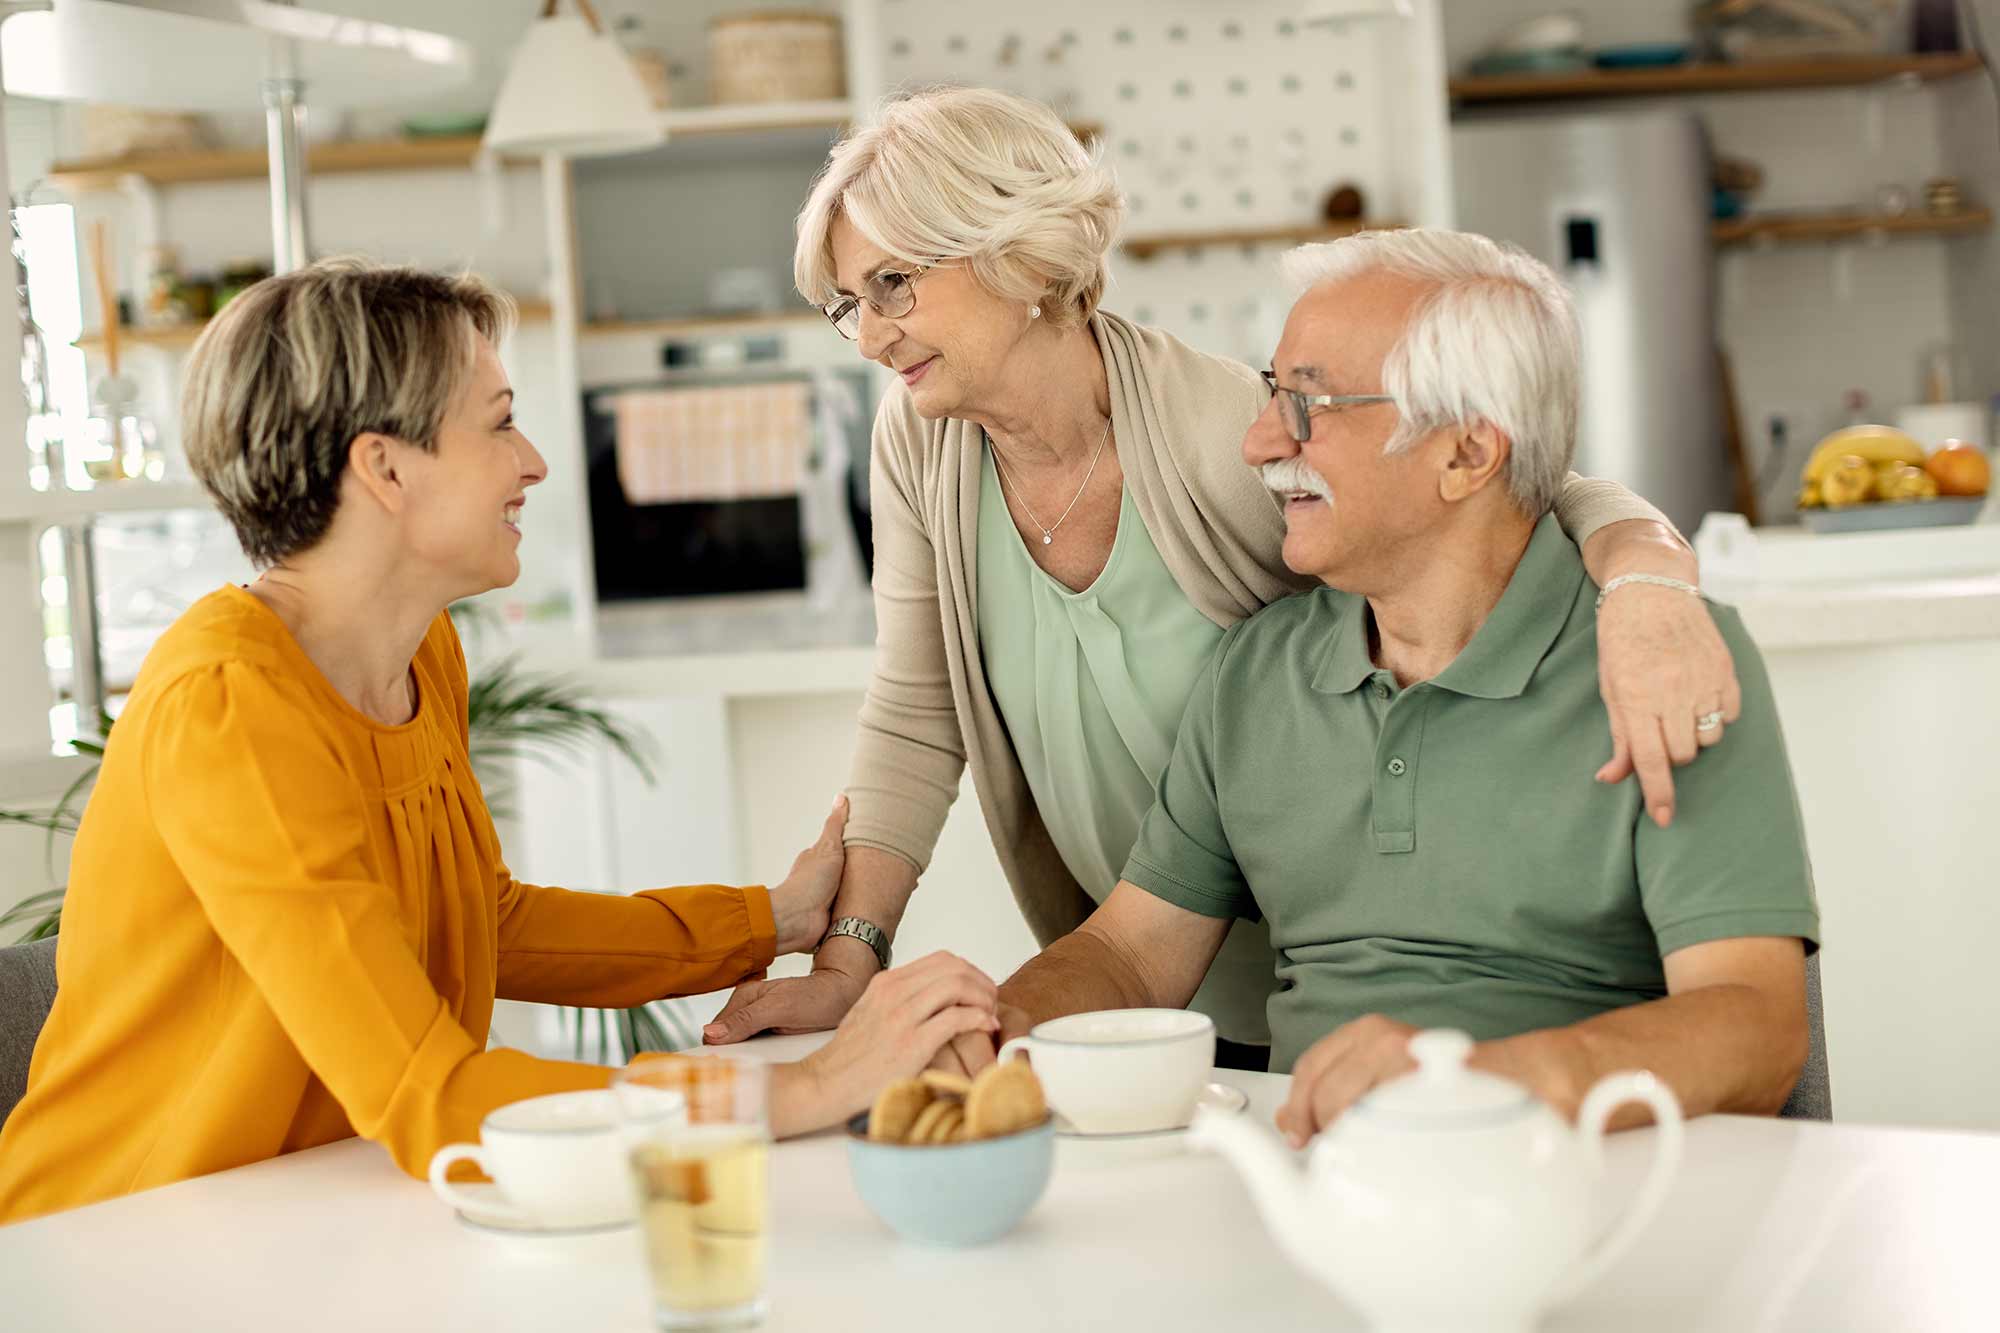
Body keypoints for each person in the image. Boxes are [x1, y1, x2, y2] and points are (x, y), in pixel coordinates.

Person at [705, 87, 1747, 1072]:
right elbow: (915, 707)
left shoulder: (1218, 431)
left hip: (1320, 983)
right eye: (848, 303)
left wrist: (1650, 580)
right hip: (1120, 974)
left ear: (1014, 255)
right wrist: (848, 961)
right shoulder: (921, 441)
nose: (872, 333)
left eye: (894, 282)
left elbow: (1510, 483)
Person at [0, 260, 998, 1225]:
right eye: (500, 421)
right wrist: (807, 1087)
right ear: (383, 468)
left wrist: (767, 920)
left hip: (304, 1211)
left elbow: (485, 920)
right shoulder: (230, 704)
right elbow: (427, 1092)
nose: (533, 462)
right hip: (121, 1237)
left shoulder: (420, 651)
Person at [984, 228, 1818, 1139]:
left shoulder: (1661, 660)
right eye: (1271, 395)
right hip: (1316, 1192)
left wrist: (1470, 1085)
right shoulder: (1256, 670)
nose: (1260, 442)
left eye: (1309, 404)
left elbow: (1756, 1027)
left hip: (1584, 1190)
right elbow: (1130, 955)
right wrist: (989, 1028)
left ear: (1466, 453)